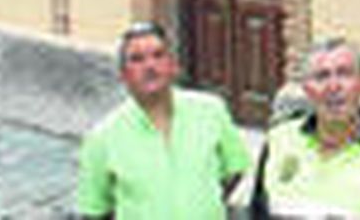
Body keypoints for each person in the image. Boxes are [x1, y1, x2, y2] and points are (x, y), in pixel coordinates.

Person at [75, 20, 251, 220]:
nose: (150, 66)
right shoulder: (102, 138)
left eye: (158, 55)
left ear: (172, 65)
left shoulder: (211, 111)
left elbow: (235, 170)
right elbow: (94, 211)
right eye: (137, 59)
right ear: (124, 74)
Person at [243, 37, 360, 218]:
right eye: (321, 76)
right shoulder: (280, 141)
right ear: (306, 88)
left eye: (344, 74)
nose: (333, 86)